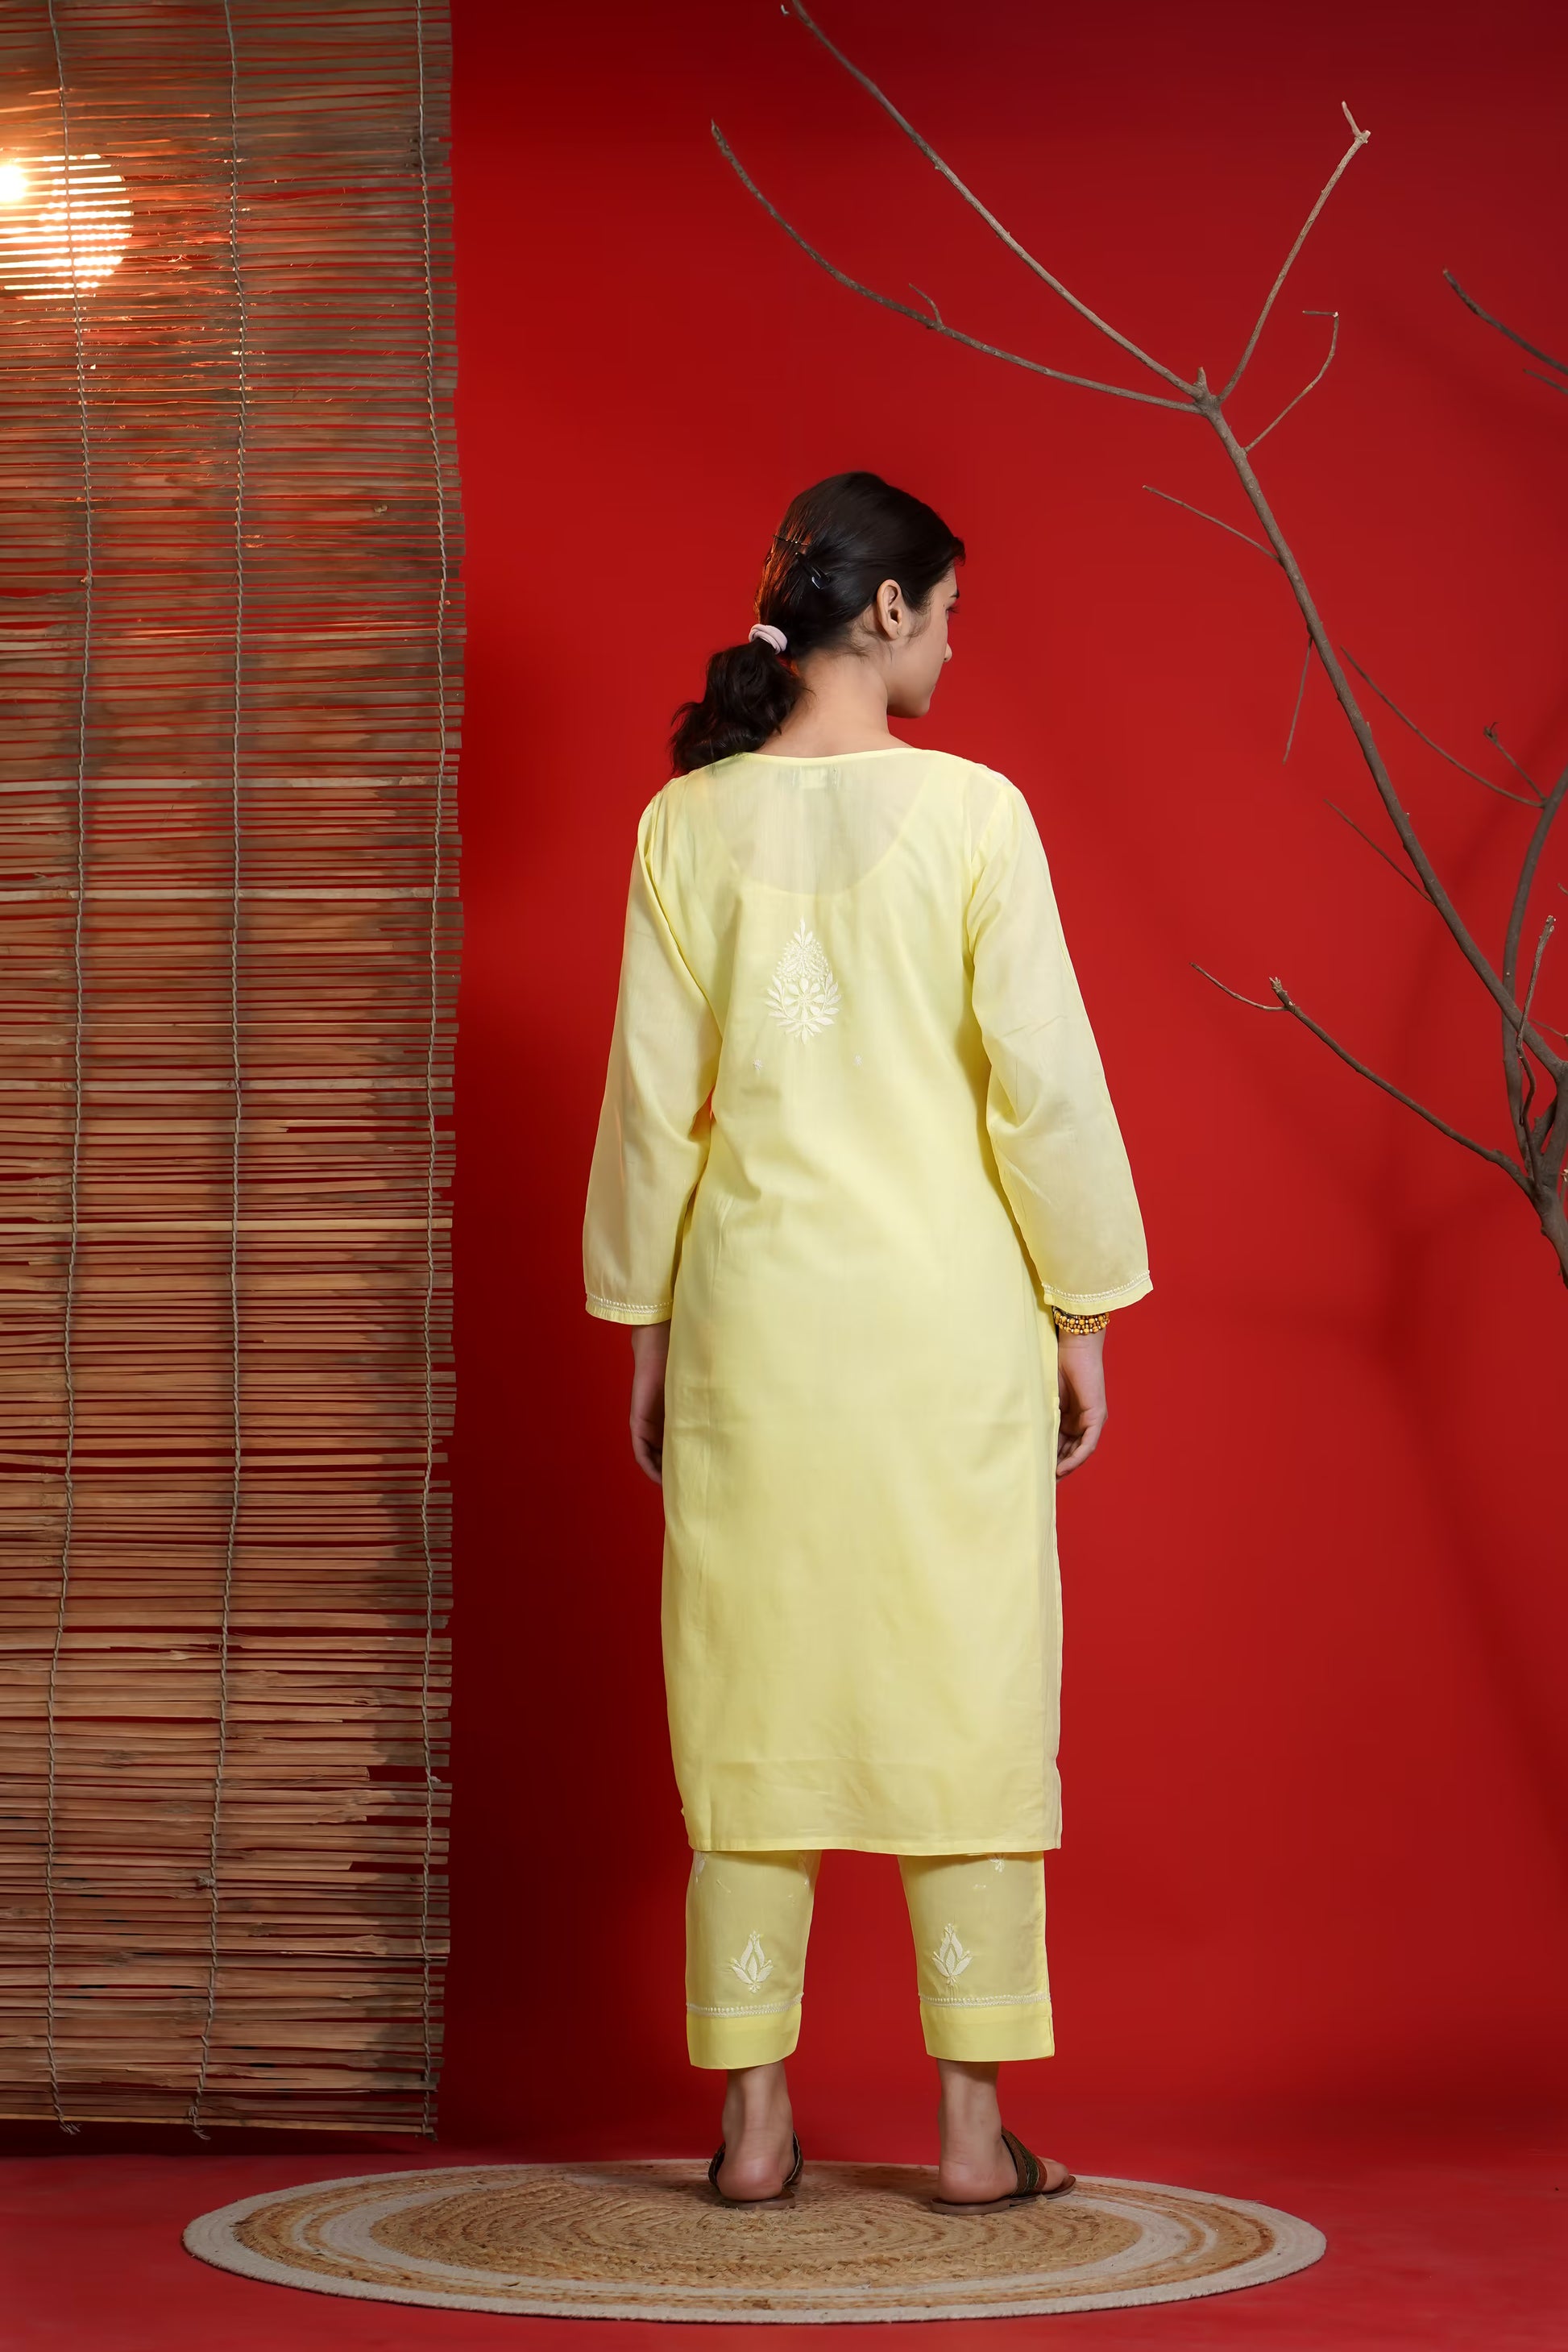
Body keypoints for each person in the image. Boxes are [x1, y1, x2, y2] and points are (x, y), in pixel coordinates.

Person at [583, 471, 1150, 2212]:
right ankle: (972, 2133)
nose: (956, 645)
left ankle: (755, 2125)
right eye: (952, 610)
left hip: (757, 1321)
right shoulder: (976, 815)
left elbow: (648, 1117)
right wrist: (1079, 1307)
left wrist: (646, 1331)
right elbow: (1040, 1086)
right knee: (966, 1691)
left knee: (745, 1697)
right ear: (885, 611)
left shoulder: (687, 825)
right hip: (939, 1327)